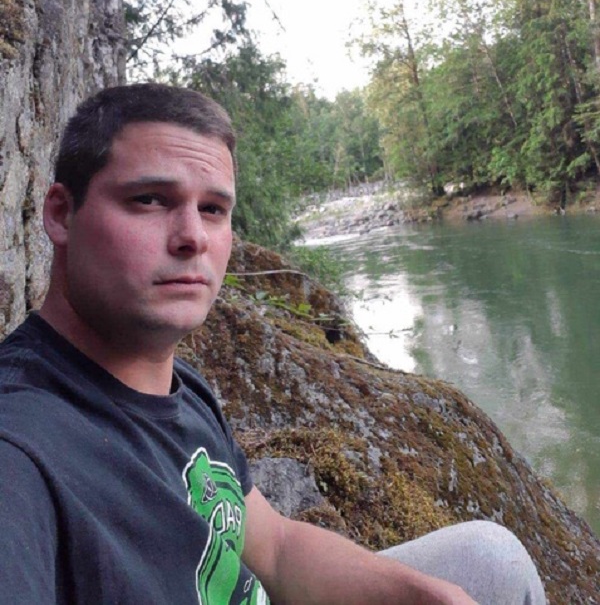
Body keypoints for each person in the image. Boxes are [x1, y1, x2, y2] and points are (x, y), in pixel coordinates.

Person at [0, 83, 546, 604]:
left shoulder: (179, 388)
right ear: (60, 214)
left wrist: (420, 594)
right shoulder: (21, 448)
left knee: (489, 560)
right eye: (149, 199)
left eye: (213, 209)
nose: (192, 236)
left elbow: (277, 551)